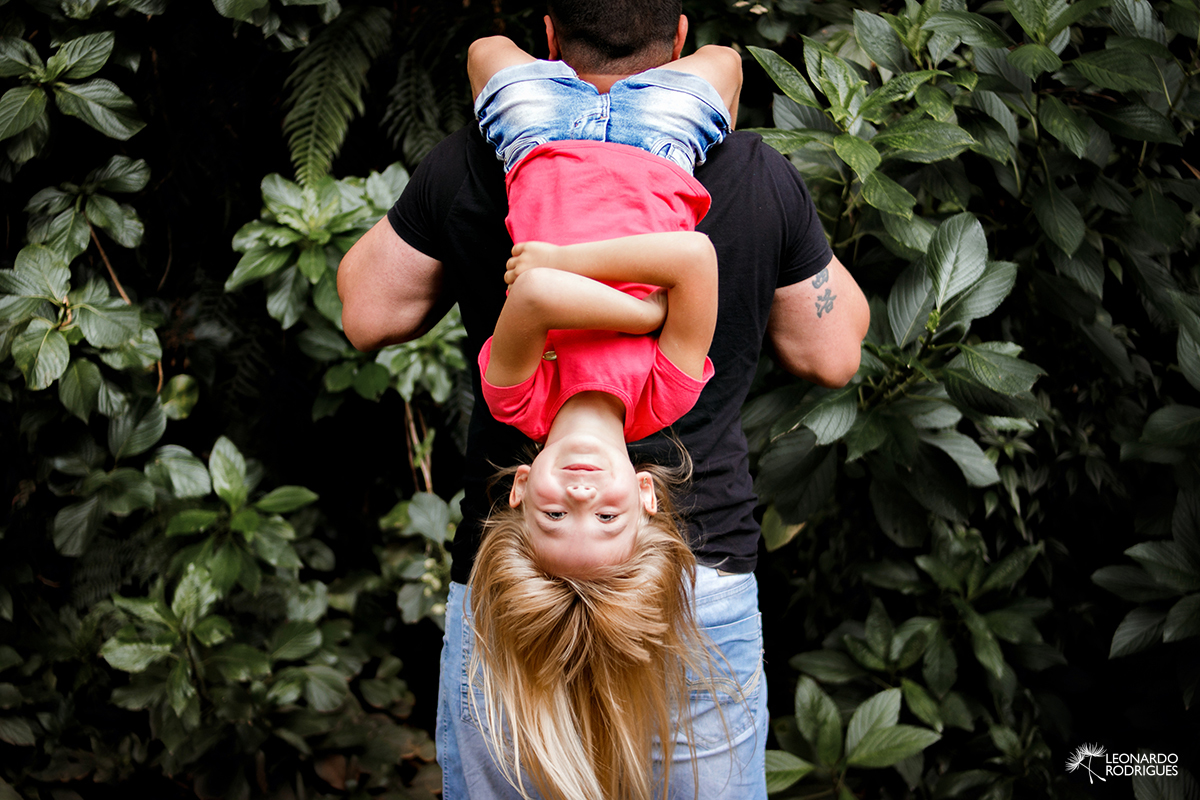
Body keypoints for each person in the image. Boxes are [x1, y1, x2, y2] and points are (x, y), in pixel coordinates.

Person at [337, 1, 871, 797]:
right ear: (678, 37)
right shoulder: (754, 173)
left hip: (516, 580)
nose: (582, 490)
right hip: (696, 572)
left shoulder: (482, 161)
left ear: (550, 39)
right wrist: (651, 307)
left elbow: (369, 312)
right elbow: (832, 352)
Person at [462, 35, 742, 800]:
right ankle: (628, 71)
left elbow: (538, 300)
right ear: (647, 497)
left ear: (521, 487)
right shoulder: (666, 395)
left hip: (540, 137)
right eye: (608, 515)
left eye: (555, 513)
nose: (581, 494)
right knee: (725, 61)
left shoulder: (515, 397)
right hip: (663, 146)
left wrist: (640, 304)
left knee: (486, 48)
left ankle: (577, 62)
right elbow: (698, 262)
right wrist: (573, 268)